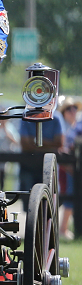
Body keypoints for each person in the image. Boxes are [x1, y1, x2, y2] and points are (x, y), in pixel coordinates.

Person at [59, 97, 79, 238]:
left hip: (73, 166)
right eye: (69, 109)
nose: (72, 111)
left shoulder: (75, 126)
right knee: (69, 197)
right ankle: (63, 228)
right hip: (66, 166)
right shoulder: (63, 127)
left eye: (74, 108)